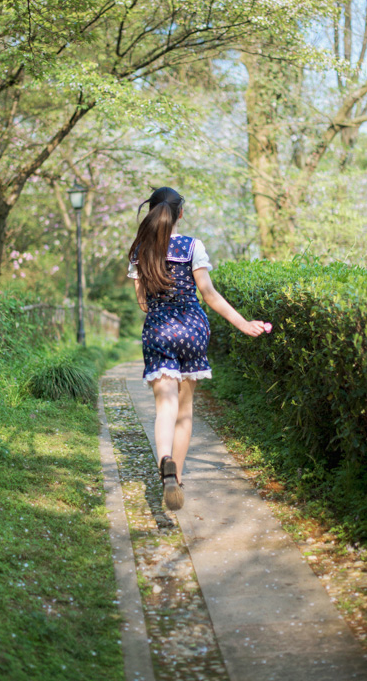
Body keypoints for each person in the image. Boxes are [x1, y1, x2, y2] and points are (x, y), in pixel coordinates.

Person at [128, 186, 271, 511]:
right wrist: (244, 324)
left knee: (165, 405)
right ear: (180, 213)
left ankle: (164, 460)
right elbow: (209, 293)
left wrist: (158, 307)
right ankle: (175, 479)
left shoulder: (140, 251)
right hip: (192, 328)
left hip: (158, 329)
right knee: (184, 410)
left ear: (152, 212)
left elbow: (142, 303)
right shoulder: (193, 246)